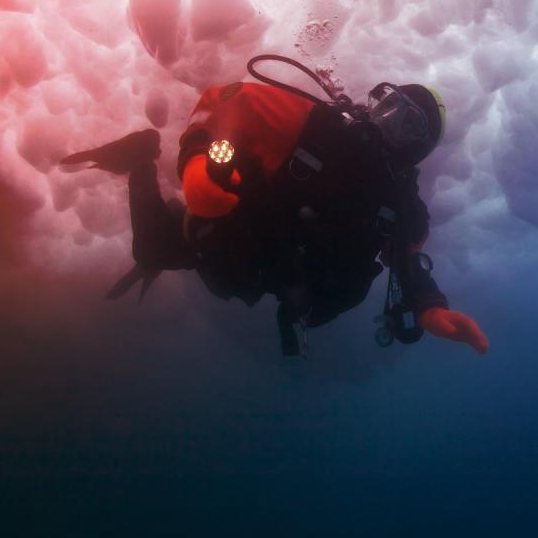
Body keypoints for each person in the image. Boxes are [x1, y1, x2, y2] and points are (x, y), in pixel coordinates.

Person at [60, 55, 488, 357]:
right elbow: (224, 101)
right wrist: (194, 160)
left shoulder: (402, 207)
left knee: (198, 264)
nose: (387, 120)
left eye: (407, 122)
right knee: (153, 250)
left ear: (420, 148)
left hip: (257, 269)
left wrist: (430, 306)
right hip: (228, 227)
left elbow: (407, 263)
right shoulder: (319, 127)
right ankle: (141, 156)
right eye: (389, 104)